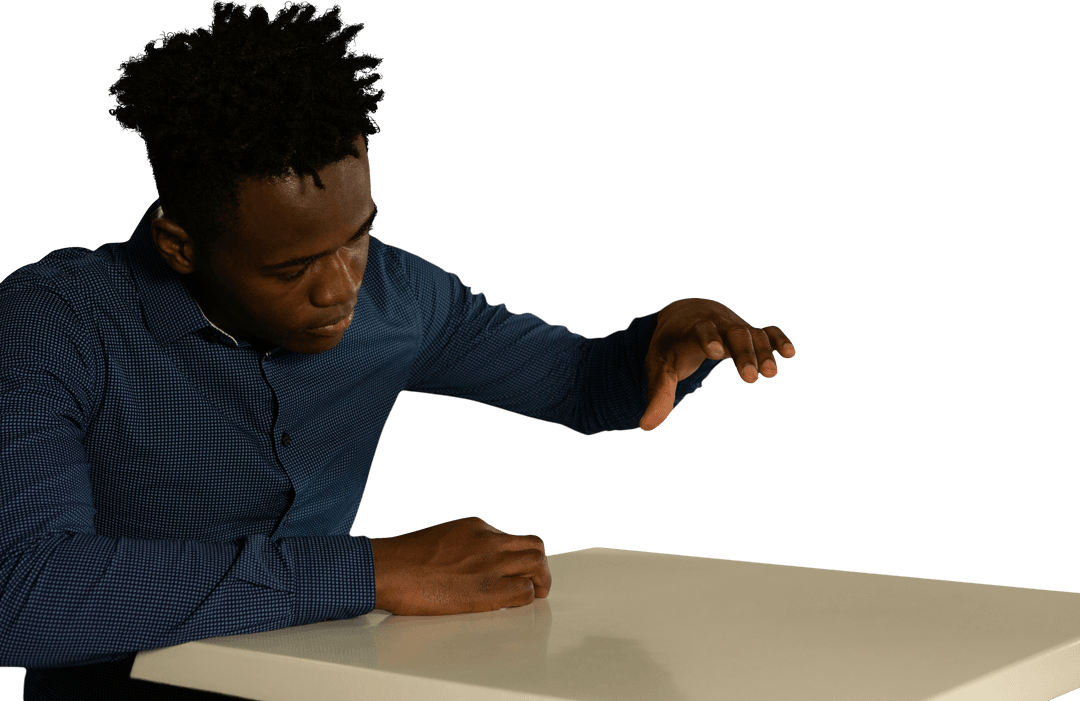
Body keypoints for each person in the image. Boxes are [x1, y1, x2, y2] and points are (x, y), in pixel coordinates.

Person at [0, 2, 795, 699]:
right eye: (294, 266)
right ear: (179, 245)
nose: (342, 285)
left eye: (359, 234)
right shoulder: (53, 323)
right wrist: (372, 570)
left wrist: (661, 346)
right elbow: (21, 593)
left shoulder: (399, 296)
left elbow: (585, 384)